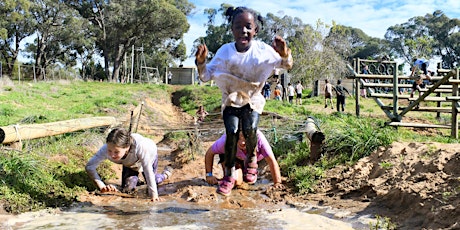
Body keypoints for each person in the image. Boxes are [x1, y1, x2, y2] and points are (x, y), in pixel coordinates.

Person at [194, 6, 293, 196]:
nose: (243, 31)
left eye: (248, 26)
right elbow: (206, 76)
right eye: (238, 26)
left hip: (253, 97)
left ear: (255, 30)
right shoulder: (224, 52)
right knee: (231, 131)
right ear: (232, 29)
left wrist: (284, 53)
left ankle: (252, 156)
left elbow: (286, 65)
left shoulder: (263, 51)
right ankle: (229, 173)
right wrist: (201, 63)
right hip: (231, 98)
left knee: (250, 128)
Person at [85, 127, 173, 202]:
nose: (112, 155)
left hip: (149, 159)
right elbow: (89, 167)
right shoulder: (106, 149)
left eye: (116, 152)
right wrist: (101, 186)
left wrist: (154, 196)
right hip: (129, 163)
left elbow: (147, 170)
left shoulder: (141, 147)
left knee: (153, 181)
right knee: (128, 190)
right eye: (110, 151)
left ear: (126, 148)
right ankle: (137, 181)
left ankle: (165, 174)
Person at [205, 130, 284, 190]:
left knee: (251, 180)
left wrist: (277, 182)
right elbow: (209, 153)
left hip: (256, 159)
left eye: (245, 138)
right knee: (235, 182)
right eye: (238, 138)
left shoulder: (260, 140)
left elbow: (271, 161)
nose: (242, 142)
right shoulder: (225, 141)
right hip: (233, 157)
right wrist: (209, 175)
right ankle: (230, 175)